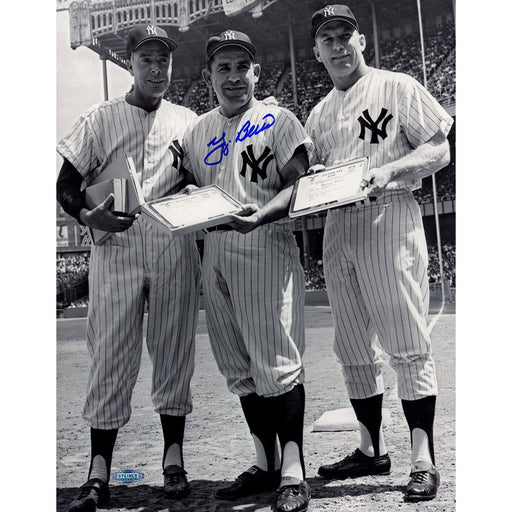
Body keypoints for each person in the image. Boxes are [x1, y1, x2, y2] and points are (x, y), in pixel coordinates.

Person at [304, 5, 453, 502]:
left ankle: (422, 459)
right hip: (338, 225)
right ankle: (370, 450)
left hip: (389, 212)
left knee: (406, 342)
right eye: (327, 38)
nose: (338, 45)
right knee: (351, 350)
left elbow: (439, 149)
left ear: (361, 40)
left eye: (345, 35)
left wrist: (391, 171)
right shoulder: (319, 112)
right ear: (317, 50)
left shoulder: (398, 85)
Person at [56, 24, 201, 512]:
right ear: (129, 63)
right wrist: (85, 215)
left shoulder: (188, 120)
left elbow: (203, 180)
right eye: (147, 59)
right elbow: (66, 184)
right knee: (111, 356)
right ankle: (98, 473)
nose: (157, 68)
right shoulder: (100, 119)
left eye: (164, 59)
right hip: (115, 248)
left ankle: (173, 458)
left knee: (173, 349)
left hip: (172, 245)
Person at [181, 30, 313, 512]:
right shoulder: (197, 130)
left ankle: (294, 471)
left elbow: (299, 185)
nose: (233, 77)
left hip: (264, 243)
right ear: (209, 75)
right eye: (223, 68)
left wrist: (261, 215)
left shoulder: (279, 119)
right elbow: (185, 188)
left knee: (276, 362)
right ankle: (266, 463)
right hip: (213, 251)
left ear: (256, 72)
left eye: (242, 67)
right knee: (239, 367)